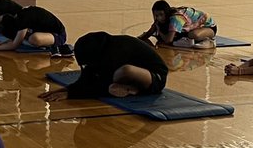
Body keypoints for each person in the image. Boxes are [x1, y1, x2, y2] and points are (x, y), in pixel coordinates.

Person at [40, 32, 168, 100]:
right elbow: (86, 78)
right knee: (114, 79)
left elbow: (101, 86)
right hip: (138, 73)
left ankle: (136, 89)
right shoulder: (98, 50)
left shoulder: (115, 52)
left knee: (124, 72)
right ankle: (130, 86)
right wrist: (67, 89)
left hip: (155, 77)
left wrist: (71, 95)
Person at [0, 5, 70, 55]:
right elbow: (12, 40)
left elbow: (14, 45)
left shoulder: (22, 20)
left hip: (58, 35)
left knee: (34, 39)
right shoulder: (18, 17)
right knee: (27, 38)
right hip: (45, 31)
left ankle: (52, 45)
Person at [138, 0, 217, 47]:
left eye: (161, 15)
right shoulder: (160, 19)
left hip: (209, 27)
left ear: (166, 13)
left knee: (193, 35)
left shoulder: (176, 19)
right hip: (193, 27)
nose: (158, 18)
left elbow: (168, 40)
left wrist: (159, 30)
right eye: (156, 15)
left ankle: (210, 41)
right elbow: (148, 33)